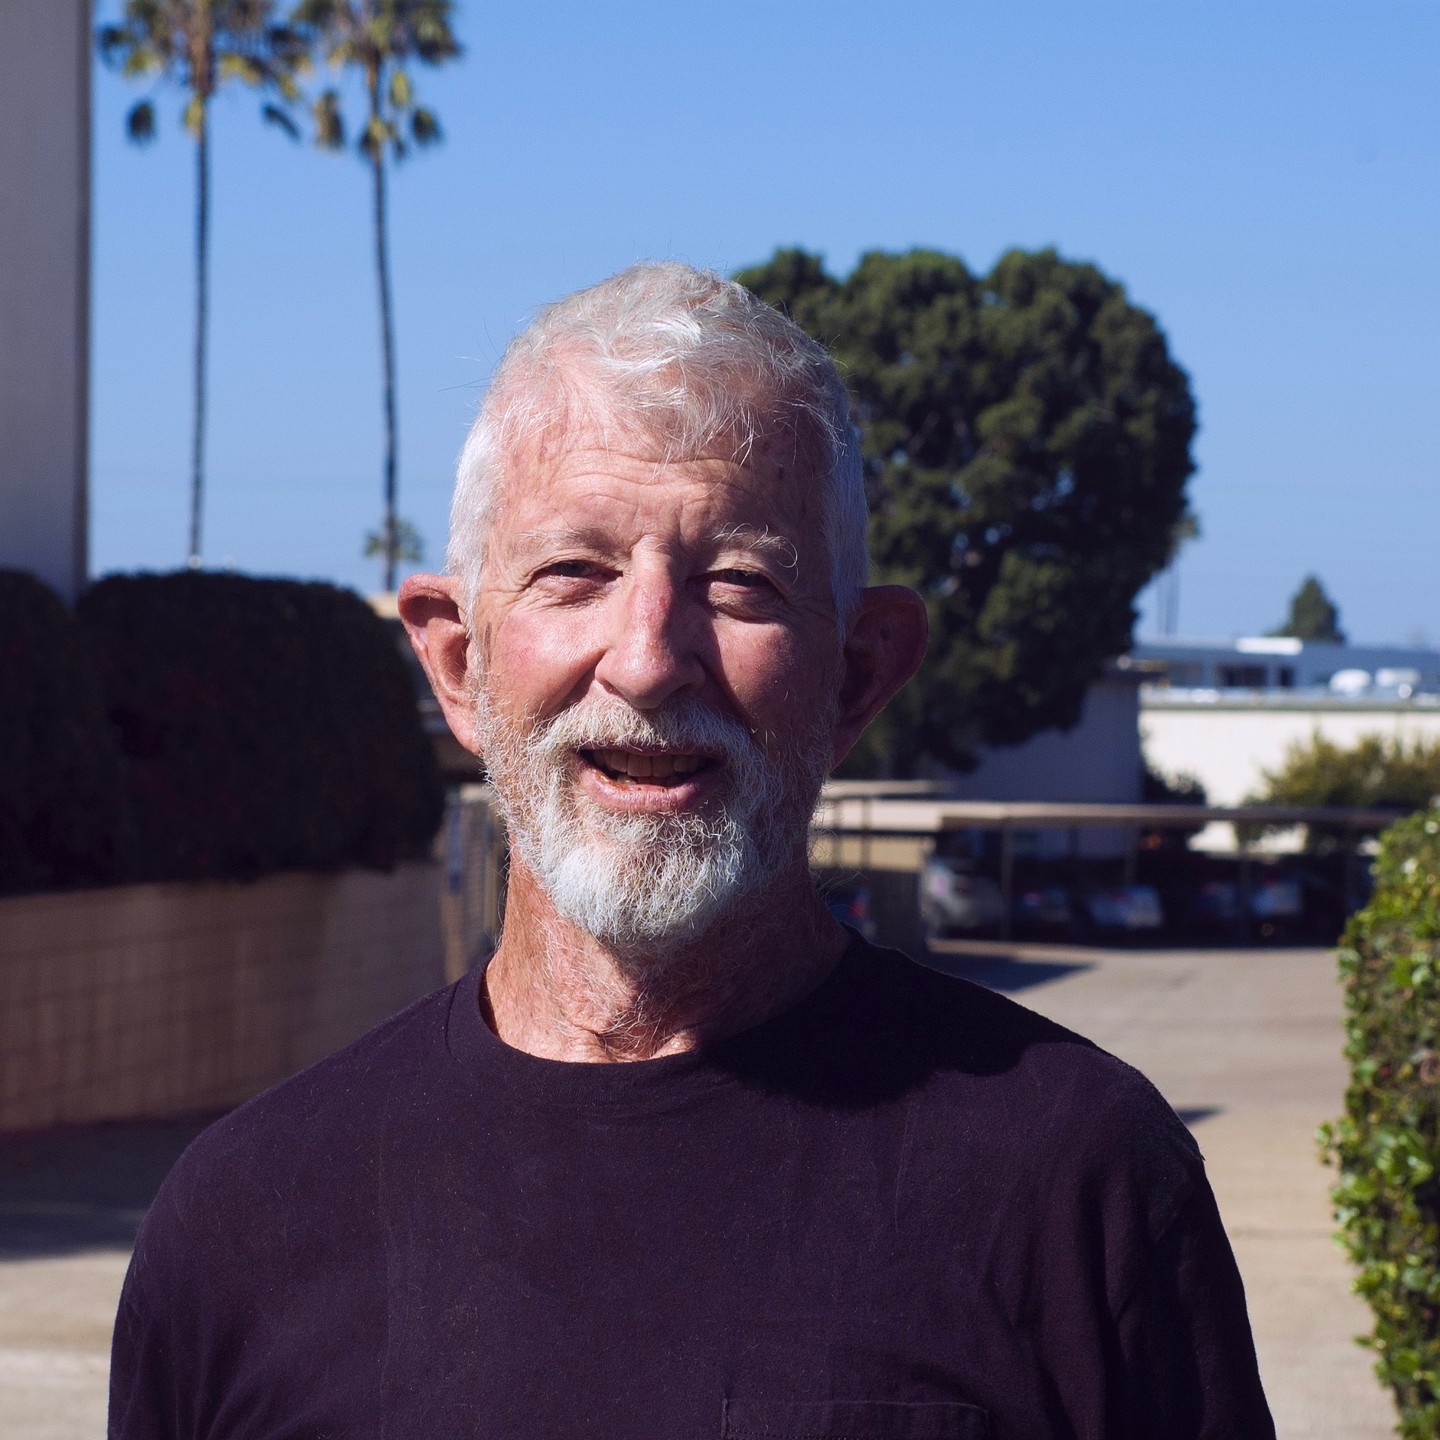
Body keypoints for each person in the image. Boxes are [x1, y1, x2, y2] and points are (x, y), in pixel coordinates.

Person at [109, 263, 1274, 1439]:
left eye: (741, 581)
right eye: (576, 572)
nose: (650, 657)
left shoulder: (1078, 1182)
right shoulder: (240, 1224)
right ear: (460, 664)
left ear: (859, 672)